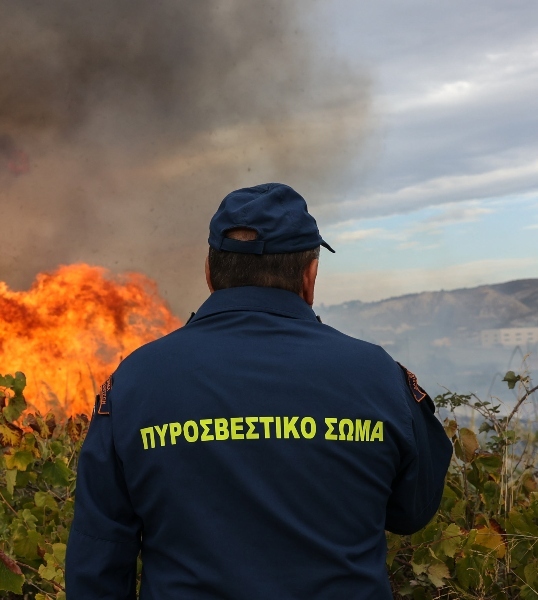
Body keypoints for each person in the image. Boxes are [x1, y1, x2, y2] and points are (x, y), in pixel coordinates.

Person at [65, 183, 453, 598]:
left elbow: (99, 557)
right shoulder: (377, 375)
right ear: (310, 275)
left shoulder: (135, 381)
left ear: (210, 273)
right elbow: (413, 511)